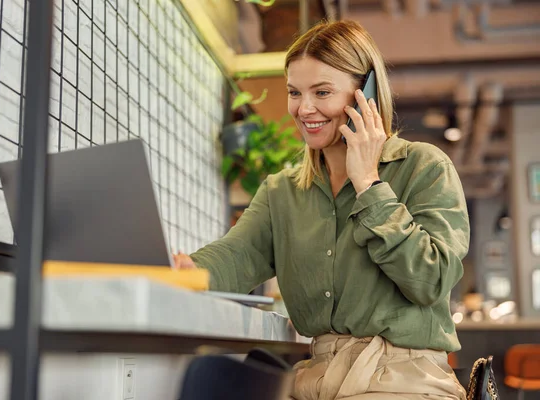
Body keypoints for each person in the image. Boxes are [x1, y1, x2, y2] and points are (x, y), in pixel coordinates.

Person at [174, 19, 469, 400]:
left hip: (403, 377)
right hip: (316, 377)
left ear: (368, 94)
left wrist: (368, 184)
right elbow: (236, 255)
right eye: (294, 92)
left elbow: (431, 281)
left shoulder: (423, 167)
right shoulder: (282, 192)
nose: (304, 108)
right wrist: (191, 272)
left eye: (322, 92)